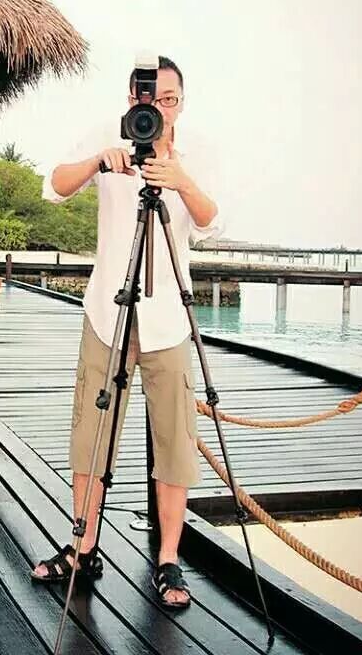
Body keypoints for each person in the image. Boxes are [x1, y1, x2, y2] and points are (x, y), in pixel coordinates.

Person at [31, 56, 223, 609]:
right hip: (107, 313)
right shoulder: (107, 133)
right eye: (148, 98)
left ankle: (168, 559)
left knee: (174, 442)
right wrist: (99, 161)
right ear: (132, 97)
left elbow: (211, 221)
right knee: (91, 434)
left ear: (181, 102)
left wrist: (180, 181)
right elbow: (54, 185)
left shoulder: (198, 151)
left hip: (169, 319)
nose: (157, 109)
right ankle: (82, 547)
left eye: (168, 99)